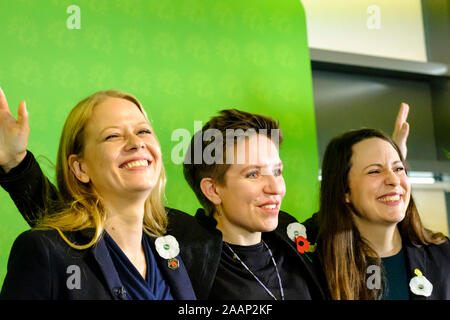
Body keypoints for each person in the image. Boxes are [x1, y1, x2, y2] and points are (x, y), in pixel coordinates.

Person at [0, 86, 410, 299]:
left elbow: (346, 218)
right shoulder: (183, 244)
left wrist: (383, 170)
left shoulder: (293, 237)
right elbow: (85, 234)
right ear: (213, 189)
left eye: (277, 171)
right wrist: (16, 168)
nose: (274, 187)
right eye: (253, 174)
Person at [0, 88, 196, 299]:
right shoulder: (43, 251)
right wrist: (15, 163)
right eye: (112, 135)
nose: (136, 143)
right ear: (80, 168)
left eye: (143, 131)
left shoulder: (180, 248)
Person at [316, 128, 450, 300]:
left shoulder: (442, 254)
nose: (394, 180)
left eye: (399, 168)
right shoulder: (315, 263)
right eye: (374, 171)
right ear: (344, 190)